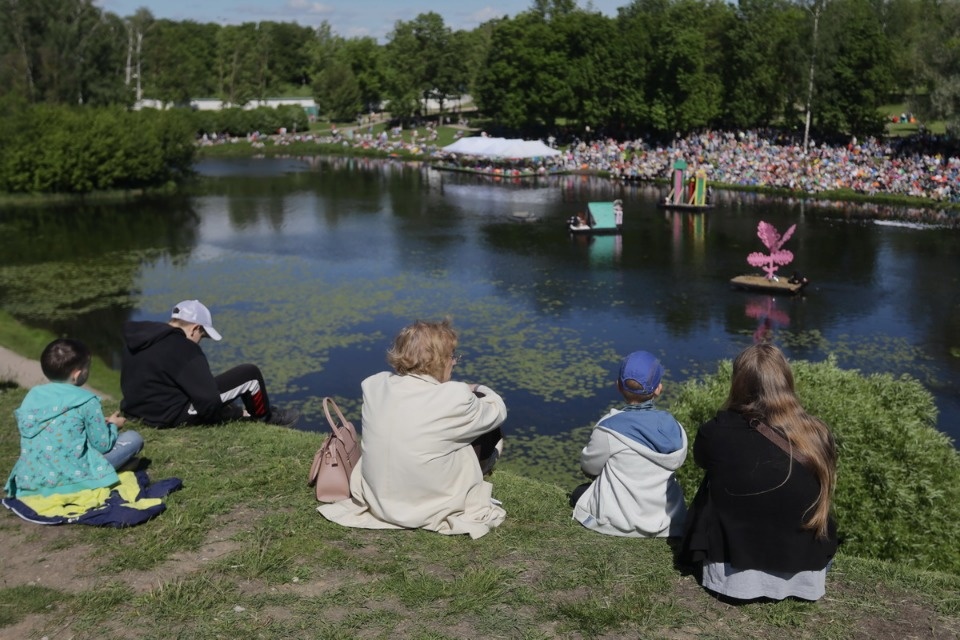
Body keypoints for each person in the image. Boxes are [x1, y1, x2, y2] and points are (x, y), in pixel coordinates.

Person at [318, 319, 507, 539]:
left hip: (378, 502)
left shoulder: (374, 385)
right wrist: (477, 388)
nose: (454, 362)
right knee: (488, 426)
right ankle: (478, 474)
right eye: (452, 356)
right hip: (427, 508)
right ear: (439, 360)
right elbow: (498, 410)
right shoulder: (455, 396)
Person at [681, 343, 838, 602]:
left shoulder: (715, 431)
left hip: (730, 579)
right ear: (786, 381)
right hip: (807, 573)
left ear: (737, 383)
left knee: (714, 479)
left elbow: (702, 461)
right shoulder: (817, 433)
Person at [120, 299, 298, 428]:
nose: (199, 341)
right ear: (195, 328)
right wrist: (235, 413)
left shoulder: (142, 339)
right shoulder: (184, 347)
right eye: (202, 336)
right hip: (168, 416)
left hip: (136, 410)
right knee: (250, 374)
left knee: (208, 388)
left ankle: (261, 412)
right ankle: (265, 417)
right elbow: (209, 402)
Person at [5, 339, 144, 498]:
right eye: (87, 367)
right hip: (73, 477)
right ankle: (109, 472)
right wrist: (113, 425)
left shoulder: (31, 396)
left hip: (32, 478)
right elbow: (102, 446)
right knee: (133, 438)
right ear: (77, 374)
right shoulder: (87, 400)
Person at [571, 350, 688, 537]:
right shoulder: (676, 429)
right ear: (658, 389)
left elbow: (589, 467)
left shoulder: (608, 428)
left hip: (614, 521)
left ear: (618, 386)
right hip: (667, 522)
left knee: (579, 492)